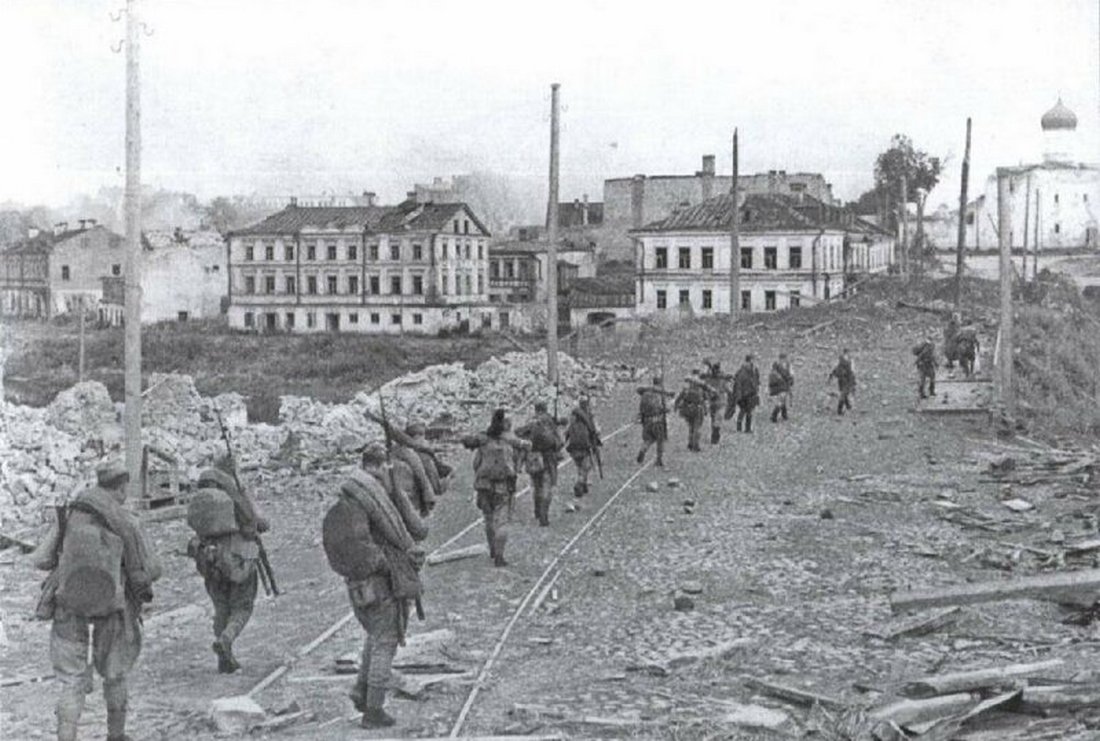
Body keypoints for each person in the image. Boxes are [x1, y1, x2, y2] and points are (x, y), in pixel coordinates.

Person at [32, 459, 161, 741]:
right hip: (113, 612)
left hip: (70, 608)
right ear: (122, 487)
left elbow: (40, 560)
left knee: (71, 681)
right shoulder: (127, 522)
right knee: (115, 675)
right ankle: (116, 736)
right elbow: (152, 570)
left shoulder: (69, 517)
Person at [331, 443, 426, 729]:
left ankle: (361, 691)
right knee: (386, 641)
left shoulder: (349, 501)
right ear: (379, 465)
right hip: (381, 583)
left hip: (357, 584)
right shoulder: (378, 501)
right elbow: (418, 529)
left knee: (374, 636)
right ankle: (374, 711)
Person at [187, 463, 270, 674]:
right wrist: (246, 495)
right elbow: (261, 523)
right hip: (237, 556)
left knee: (221, 609)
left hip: (207, 557)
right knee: (242, 607)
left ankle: (225, 658)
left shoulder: (202, 501)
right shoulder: (234, 496)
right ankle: (226, 639)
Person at [463, 408, 531, 566]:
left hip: (484, 485)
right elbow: (526, 447)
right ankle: (500, 556)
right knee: (502, 522)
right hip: (503, 485)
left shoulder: (483, 440)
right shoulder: (510, 441)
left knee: (488, 519)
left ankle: (492, 549)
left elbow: (474, 461)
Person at [515, 401, 565, 526]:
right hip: (549, 459)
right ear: (546, 409)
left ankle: (537, 511)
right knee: (547, 486)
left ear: (536, 409)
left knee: (536, 486)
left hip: (534, 459)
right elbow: (559, 442)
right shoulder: (550, 422)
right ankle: (544, 514)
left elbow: (518, 433)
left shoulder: (532, 422)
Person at [564, 396, 601, 498]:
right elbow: (596, 430)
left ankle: (584, 485)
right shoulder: (589, 416)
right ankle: (580, 483)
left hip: (573, 447)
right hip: (585, 446)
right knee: (586, 467)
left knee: (579, 466)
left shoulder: (573, 416)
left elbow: (567, 431)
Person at [636, 376, 674, 466]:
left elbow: (641, 409)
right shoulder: (659, 395)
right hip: (657, 421)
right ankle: (659, 460)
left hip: (646, 421)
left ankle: (643, 450)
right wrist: (667, 409)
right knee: (660, 441)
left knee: (648, 439)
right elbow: (661, 408)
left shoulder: (644, 394)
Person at [674, 375, 709, 452]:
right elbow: (704, 401)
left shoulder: (686, 390)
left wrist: (676, 408)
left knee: (691, 427)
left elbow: (678, 399)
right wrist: (706, 411)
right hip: (698, 410)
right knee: (697, 428)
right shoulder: (701, 390)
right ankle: (695, 446)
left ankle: (690, 443)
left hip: (688, 410)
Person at [700, 360, 731, 444]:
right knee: (718, 419)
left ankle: (714, 435)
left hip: (712, 401)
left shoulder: (708, 378)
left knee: (713, 419)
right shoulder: (722, 379)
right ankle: (715, 436)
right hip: (720, 401)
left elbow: (704, 388)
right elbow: (728, 390)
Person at [730, 354, 761, 433]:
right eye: (753, 360)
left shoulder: (754, 370)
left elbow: (757, 381)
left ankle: (747, 428)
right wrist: (738, 397)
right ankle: (739, 427)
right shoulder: (742, 372)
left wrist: (757, 389)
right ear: (749, 360)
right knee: (743, 410)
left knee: (749, 412)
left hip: (751, 394)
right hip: (744, 395)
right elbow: (738, 384)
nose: (754, 362)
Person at [828, 349, 857, 415]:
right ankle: (842, 409)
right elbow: (852, 372)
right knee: (843, 394)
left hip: (844, 380)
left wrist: (831, 377)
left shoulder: (843, 362)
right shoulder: (848, 362)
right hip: (845, 380)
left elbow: (835, 370)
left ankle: (845, 408)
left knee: (843, 394)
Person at [768, 353, 795, 423]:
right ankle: (774, 416)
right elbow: (791, 375)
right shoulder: (781, 365)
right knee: (781, 400)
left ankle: (784, 414)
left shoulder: (778, 365)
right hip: (781, 385)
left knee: (783, 399)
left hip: (781, 385)